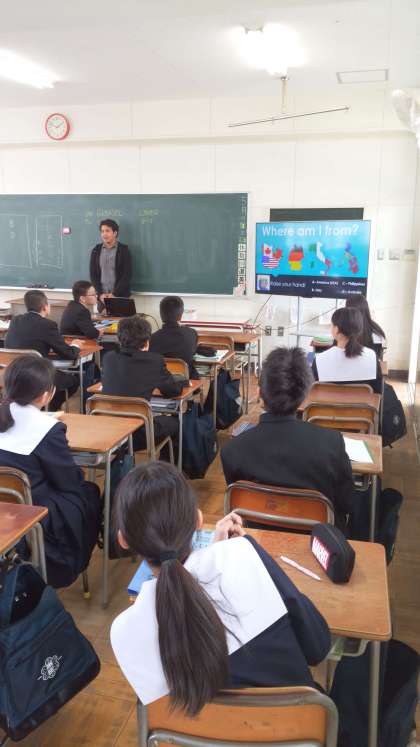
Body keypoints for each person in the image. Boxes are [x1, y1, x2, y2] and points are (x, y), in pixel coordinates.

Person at [110, 462, 331, 714]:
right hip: (296, 727)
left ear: (123, 540)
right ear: (198, 520)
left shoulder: (123, 633)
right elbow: (318, 646)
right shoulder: (243, 553)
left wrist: (218, 554)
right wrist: (229, 553)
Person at [221, 347, 354, 531]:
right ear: (305, 396)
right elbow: (346, 503)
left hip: (255, 538)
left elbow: (239, 507)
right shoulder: (331, 443)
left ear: (259, 393)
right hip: (317, 541)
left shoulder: (232, 450)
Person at [0, 356, 101, 588]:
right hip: (35, 511)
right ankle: (73, 564)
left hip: (6, 505)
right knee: (89, 493)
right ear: (47, 394)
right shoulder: (47, 429)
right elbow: (68, 482)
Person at [102, 315, 182, 451]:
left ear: (119, 338)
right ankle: (165, 463)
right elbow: (172, 391)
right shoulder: (154, 361)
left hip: (108, 430)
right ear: (147, 341)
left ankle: (123, 458)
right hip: (139, 433)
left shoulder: (109, 358)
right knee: (175, 422)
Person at [5, 290, 84, 411]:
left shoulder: (15, 320)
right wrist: (75, 346)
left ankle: (39, 408)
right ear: (45, 307)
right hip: (37, 375)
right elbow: (69, 354)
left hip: (14, 374)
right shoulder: (48, 324)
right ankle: (49, 409)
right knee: (72, 381)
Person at [312, 306, 382, 394]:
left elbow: (313, 391)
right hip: (362, 403)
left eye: (331, 325)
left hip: (325, 403)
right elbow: (378, 392)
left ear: (336, 329)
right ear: (359, 329)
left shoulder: (320, 360)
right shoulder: (371, 356)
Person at [150, 296, 198, 378]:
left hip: (160, 381)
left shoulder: (153, 338)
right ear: (181, 315)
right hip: (187, 380)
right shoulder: (192, 333)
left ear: (161, 315)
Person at [89, 219, 132, 310]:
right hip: (102, 298)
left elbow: (127, 275)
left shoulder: (124, 250)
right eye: (102, 231)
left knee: (121, 319)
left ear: (115, 233)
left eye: (107, 231)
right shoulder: (96, 250)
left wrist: (114, 294)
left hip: (120, 297)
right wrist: (100, 294)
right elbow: (93, 274)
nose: (104, 234)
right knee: (102, 319)